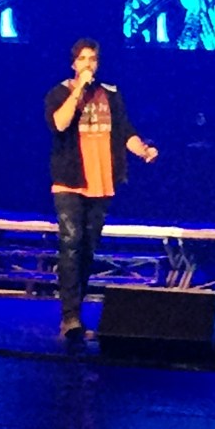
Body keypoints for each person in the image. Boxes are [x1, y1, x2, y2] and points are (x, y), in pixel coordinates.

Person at [44, 38, 158, 342]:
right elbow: (59, 124)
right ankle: (69, 317)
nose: (88, 64)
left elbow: (125, 132)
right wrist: (78, 90)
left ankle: (76, 313)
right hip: (69, 181)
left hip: (101, 182)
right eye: (82, 59)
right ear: (73, 64)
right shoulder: (59, 93)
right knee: (71, 244)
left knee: (87, 250)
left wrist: (143, 150)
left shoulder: (110, 94)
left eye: (92, 59)